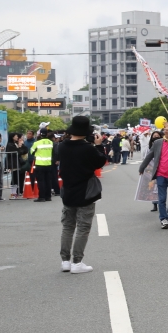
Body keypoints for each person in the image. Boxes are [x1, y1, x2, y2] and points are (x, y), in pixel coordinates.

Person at [57, 116, 108, 274]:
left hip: (68, 191)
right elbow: (100, 162)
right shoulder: (88, 148)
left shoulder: (61, 146)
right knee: (83, 227)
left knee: (68, 226)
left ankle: (65, 261)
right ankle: (77, 262)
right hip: (86, 191)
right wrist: (99, 146)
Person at [139, 120, 168, 228]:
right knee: (161, 198)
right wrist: (142, 167)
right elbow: (149, 155)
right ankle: (163, 218)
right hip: (161, 175)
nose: (167, 131)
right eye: (165, 129)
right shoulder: (158, 142)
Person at [30, 129, 54, 202]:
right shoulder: (51, 142)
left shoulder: (37, 143)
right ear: (47, 134)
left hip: (40, 164)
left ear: (40, 134)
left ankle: (42, 197)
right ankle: (48, 196)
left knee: (41, 181)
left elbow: (31, 152)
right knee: (48, 181)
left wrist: (37, 154)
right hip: (48, 164)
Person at [5, 132, 28, 199]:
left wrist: (21, 146)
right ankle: (13, 193)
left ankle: (18, 192)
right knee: (14, 178)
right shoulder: (10, 145)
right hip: (14, 163)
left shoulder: (15, 144)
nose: (17, 137)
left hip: (19, 163)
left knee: (18, 178)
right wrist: (20, 147)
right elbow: (17, 152)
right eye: (16, 136)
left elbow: (24, 150)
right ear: (12, 137)